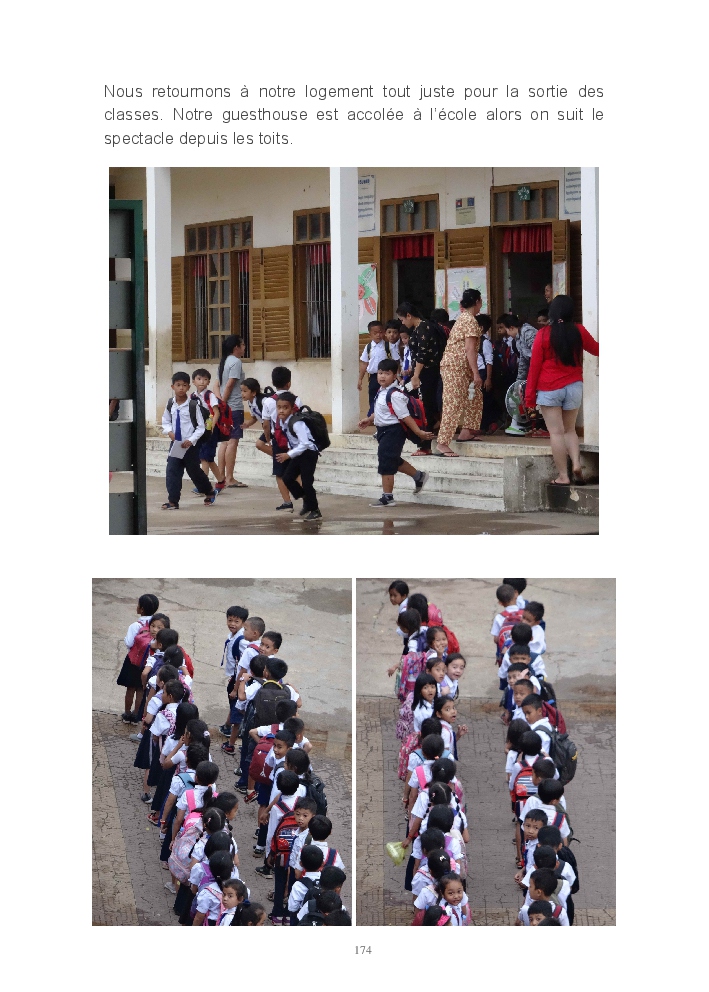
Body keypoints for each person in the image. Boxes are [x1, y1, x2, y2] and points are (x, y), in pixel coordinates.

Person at [525, 293, 599, 486]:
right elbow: (597, 349)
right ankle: (577, 464)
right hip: (574, 386)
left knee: (556, 433)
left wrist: (529, 397)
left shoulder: (543, 334)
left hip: (549, 388)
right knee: (570, 430)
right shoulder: (578, 330)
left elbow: (534, 367)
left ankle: (563, 476)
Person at [358, 359, 434, 507]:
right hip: (383, 431)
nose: (382, 376)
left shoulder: (395, 395)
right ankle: (419, 476)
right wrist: (369, 419)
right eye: (380, 373)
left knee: (386, 460)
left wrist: (419, 432)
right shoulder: (382, 391)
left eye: (387, 373)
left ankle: (388, 497)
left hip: (393, 431)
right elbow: (381, 410)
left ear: (394, 376)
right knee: (391, 458)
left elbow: (405, 417)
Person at [435, 288, 483, 456]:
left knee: (475, 396)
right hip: (456, 367)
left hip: (459, 366)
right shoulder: (470, 321)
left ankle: (467, 431)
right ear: (477, 302)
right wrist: (476, 373)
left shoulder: (463, 318)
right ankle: (442, 443)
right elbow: (470, 349)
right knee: (453, 403)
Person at [160, 372, 217, 509]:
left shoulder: (193, 405)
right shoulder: (170, 403)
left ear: (188, 387)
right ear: (172, 386)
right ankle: (173, 501)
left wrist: (191, 440)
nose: (181, 388)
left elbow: (201, 427)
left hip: (191, 445)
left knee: (193, 471)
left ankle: (209, 491)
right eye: (178, 385)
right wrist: (169, 432)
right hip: (176, 444)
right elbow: (166, 421)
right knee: (172, 470)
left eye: (184, 385)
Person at [396, 302, 446, 454]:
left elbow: (423, 354)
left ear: (409, 315)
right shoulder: (420, 328)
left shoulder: (424, 327)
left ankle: (426, 444)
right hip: (420, 371)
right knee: (410, 398)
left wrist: (416, 375)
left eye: (402, 319)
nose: (402, 323)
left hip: (426, 373)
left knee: (425, 406)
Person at [274, 392, 322, 521]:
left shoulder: (296, 423)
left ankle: (315, 510)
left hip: (309, 453)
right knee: (287, 478)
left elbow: (305, 444)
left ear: (292, 409)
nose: (281, 410)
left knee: (307, 482)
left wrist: (288, 455)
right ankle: (307, 500)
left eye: (285, 407)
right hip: (298, 453)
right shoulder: (284, 421)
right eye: (279, 407)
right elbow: (292, 440)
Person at [261, 366, 303, 511]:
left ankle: (287, 502)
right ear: (289, 383)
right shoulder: (296, 400)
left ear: (273, 382)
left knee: (279, 473)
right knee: (297, 472)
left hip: (278, 440)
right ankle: (307, 500)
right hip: (295, 440)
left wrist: (268, 440)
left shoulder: (268, 401)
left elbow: (266, 424)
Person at [496, 313, 544, 437]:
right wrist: (518, 383)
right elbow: (523, 362)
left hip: (543, 371)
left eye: (507, 330)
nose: (507, 333)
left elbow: (539, 353)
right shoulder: (518, 340)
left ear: (512, 327)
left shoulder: (528, 332)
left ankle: (543, 427)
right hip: (535, 372)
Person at [117, 593, 159, 724]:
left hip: (133, 661)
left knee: (130, 689)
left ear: (141, 609)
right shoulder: (156, 624)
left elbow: (129, 643)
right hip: (147, 663)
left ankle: (127, 714)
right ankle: (136, 715)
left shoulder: (136, 625)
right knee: (141, 689)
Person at [215, 334, 247, 488]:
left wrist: (220, 403)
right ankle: (229, 477)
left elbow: (217, 385)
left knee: (224, 442)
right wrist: (224, 403)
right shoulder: (236, 362)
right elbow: (229, 385)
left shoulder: (224, 362)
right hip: (233, 407)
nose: (244, 348)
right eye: (243, 345)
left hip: (225, 406)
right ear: (236, 347)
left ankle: (221, 476)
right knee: (233, 442)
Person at [190, 368, 227, 490]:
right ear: (193, 381)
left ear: (209, 382)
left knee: (204, 458)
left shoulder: (210, 395)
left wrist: (210, 427)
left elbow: (216, 412)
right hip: (200, 430)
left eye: (205, 379)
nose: (202, 382)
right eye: (199, 379)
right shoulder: (192, 396)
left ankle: (203, 486)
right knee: (208, 458)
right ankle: (221, 481)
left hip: (210, 430)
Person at [218, 605, 249, 738]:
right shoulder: (233, 635)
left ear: (243, 623)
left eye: (236, 621)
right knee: (234, 703)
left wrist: (236, 687)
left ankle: (236, 729)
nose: (232, 624)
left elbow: (245, 665)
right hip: (234, 675)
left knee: (236, 703)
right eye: (230, 620)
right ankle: (227, 725)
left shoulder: (242, 640)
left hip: (239, 677)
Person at [358, 320, 396, 415]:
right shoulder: (368, 347)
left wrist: (397, 376)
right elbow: (364, 363)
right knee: (373, 397)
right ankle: (373, 416)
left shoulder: (388, 346)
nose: (378, 335)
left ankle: (386, 415)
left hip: (388, 377)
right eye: (375, 333)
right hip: (374, 378)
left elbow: (396, 361)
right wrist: (360, 379)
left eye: (380, 332)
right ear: (370, 335)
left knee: (387, 396)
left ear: (383, 332)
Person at [474, 313, 498, 436]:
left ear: (481, 327)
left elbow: (489, 361)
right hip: (477, 373)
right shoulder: (475, 341)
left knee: (484, 400)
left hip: (483, 373)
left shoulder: (485, 342)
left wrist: (488, 378)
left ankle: (487, 424)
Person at [241, 377, 272, 457]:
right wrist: (248, 424)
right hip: (267, 428)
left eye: (245, 391)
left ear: (253, 393)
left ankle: (281, 458)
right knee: (259, 444)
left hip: (273, 428)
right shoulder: (250, 403)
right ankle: (279, 458)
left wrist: (268, 440)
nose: (242, 393)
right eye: (241, 391)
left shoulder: (263, 401)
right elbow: (255, 418)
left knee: (261, 444)